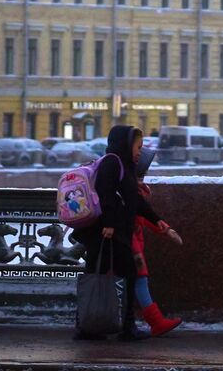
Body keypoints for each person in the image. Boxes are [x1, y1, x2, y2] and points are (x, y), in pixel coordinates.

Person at [75, 124, 163, 341]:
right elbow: (106, 194)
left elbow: (135, 200)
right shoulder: (112, 163)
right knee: (118, 275)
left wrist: (157, 220)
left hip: (112, 232)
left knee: (101, 275)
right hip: (105, 233)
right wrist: (110, 224)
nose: (140, 151)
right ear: (126, 144)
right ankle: (121, 327)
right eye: (138, 146)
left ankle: (91, 326)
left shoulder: (123, 165)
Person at [130, 149, 184, 336]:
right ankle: (156, 322)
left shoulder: (134, 189)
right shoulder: (133, 192)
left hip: (130, 241)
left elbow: (145, 218)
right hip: (131, 244)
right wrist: (166, 230)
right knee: (140, 279)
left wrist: (166, 230)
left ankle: (137, 323)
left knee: (131, 281)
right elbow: (143, 218)